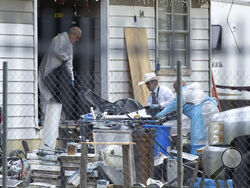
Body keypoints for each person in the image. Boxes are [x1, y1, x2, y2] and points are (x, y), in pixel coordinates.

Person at [156, 80, 219, 154]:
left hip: (201, 115)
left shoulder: (183, 93)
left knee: (198, 139)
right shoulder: (192, 91)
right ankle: (213, 156)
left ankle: (197, 158)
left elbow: (173, 105)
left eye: (175, 90)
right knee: (213, 138)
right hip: (214, 113)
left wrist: (159, 114)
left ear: (177, 88)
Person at [38, 26, 82, 124]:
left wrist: (72, 79)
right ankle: (44, 121)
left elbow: (69, 63)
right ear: (73, 34)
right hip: (47, 71)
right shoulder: (60, 38)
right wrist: (65, 57)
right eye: (77, 38)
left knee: (58, 97)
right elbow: (56, 50)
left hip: (57, 75)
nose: (77, 40)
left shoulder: (70, 45)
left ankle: (58, 120)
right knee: (46, 96)